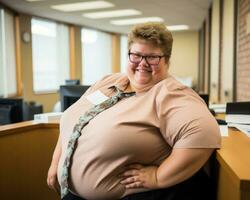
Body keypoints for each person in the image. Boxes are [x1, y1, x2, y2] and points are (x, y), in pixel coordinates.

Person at [47, 22, 221, 200]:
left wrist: (157, 177)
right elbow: (75, 120)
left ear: (167, 60)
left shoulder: (171, 94)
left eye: (152, 57)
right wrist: (57, 164)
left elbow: (204, 133)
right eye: (136, 55)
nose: (142, 63)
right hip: (71, 194)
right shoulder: (108, 81)